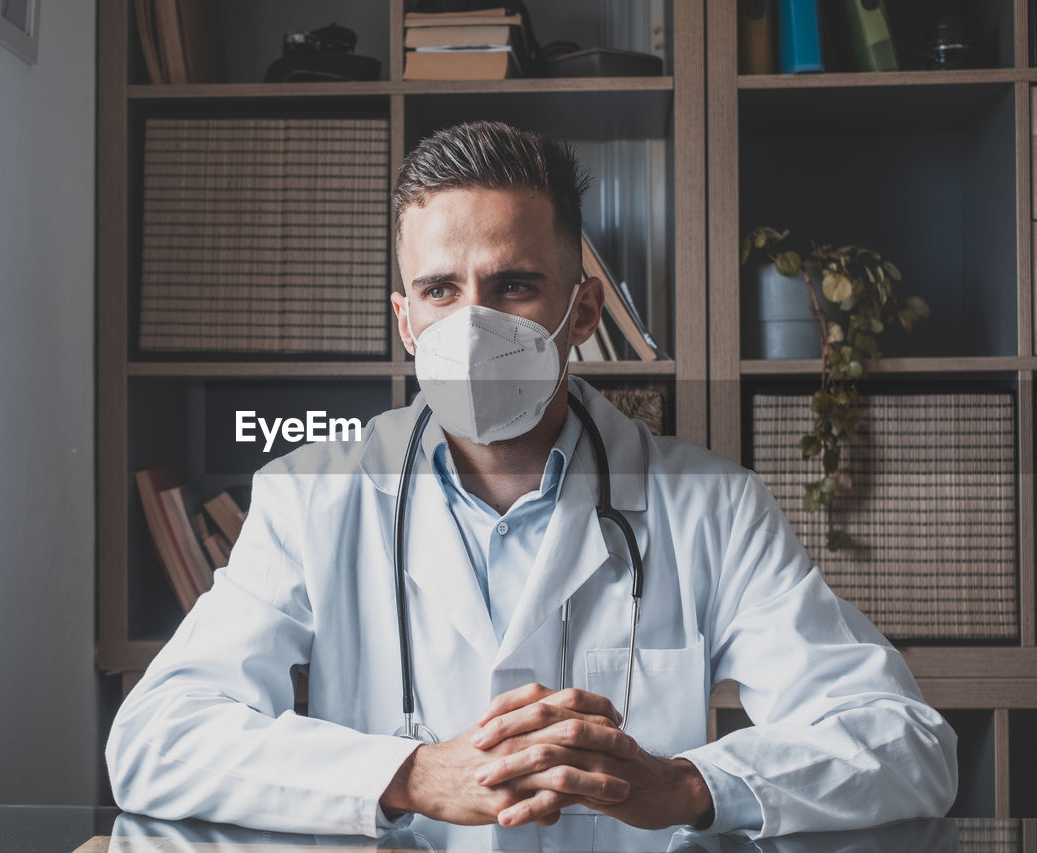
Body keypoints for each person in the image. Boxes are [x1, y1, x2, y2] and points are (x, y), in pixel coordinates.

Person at [106, 121, 957, 839]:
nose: (471, 324)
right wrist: (406, 773)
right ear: (405, 320)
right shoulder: (310, 497)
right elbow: (155, 740)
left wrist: (687, 785)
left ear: (580, 312)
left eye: (513, 285)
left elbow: (907, 742)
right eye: (441, 289)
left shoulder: (711, 506)